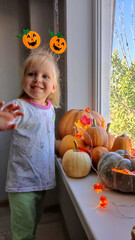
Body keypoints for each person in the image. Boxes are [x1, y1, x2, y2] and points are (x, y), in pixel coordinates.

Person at [3, 48, 61, 240]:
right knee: (23, 232)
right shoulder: (20, 106)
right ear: (23, 80)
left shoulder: (50, 110)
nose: (37, 79)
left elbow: (48, 138)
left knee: (33, 224)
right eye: (32, 74)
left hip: (41, 182)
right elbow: (6, 117)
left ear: (53, 87)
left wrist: (64, 148)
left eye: (45, 76)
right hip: (22, 183)